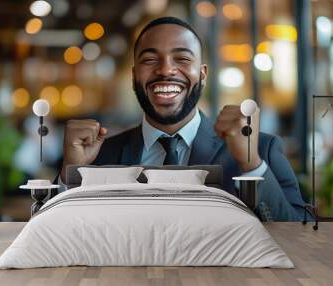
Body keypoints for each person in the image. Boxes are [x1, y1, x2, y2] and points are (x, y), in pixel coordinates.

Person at [56, 17, 308, 221]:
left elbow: (299, 237)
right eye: (150, 60)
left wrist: (251, 164)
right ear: (134, 76)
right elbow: (58, 236)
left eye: (182, 59)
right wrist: (71, 176)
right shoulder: (100, 157)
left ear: (203, 74)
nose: (165, 70)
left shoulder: (262, 150)